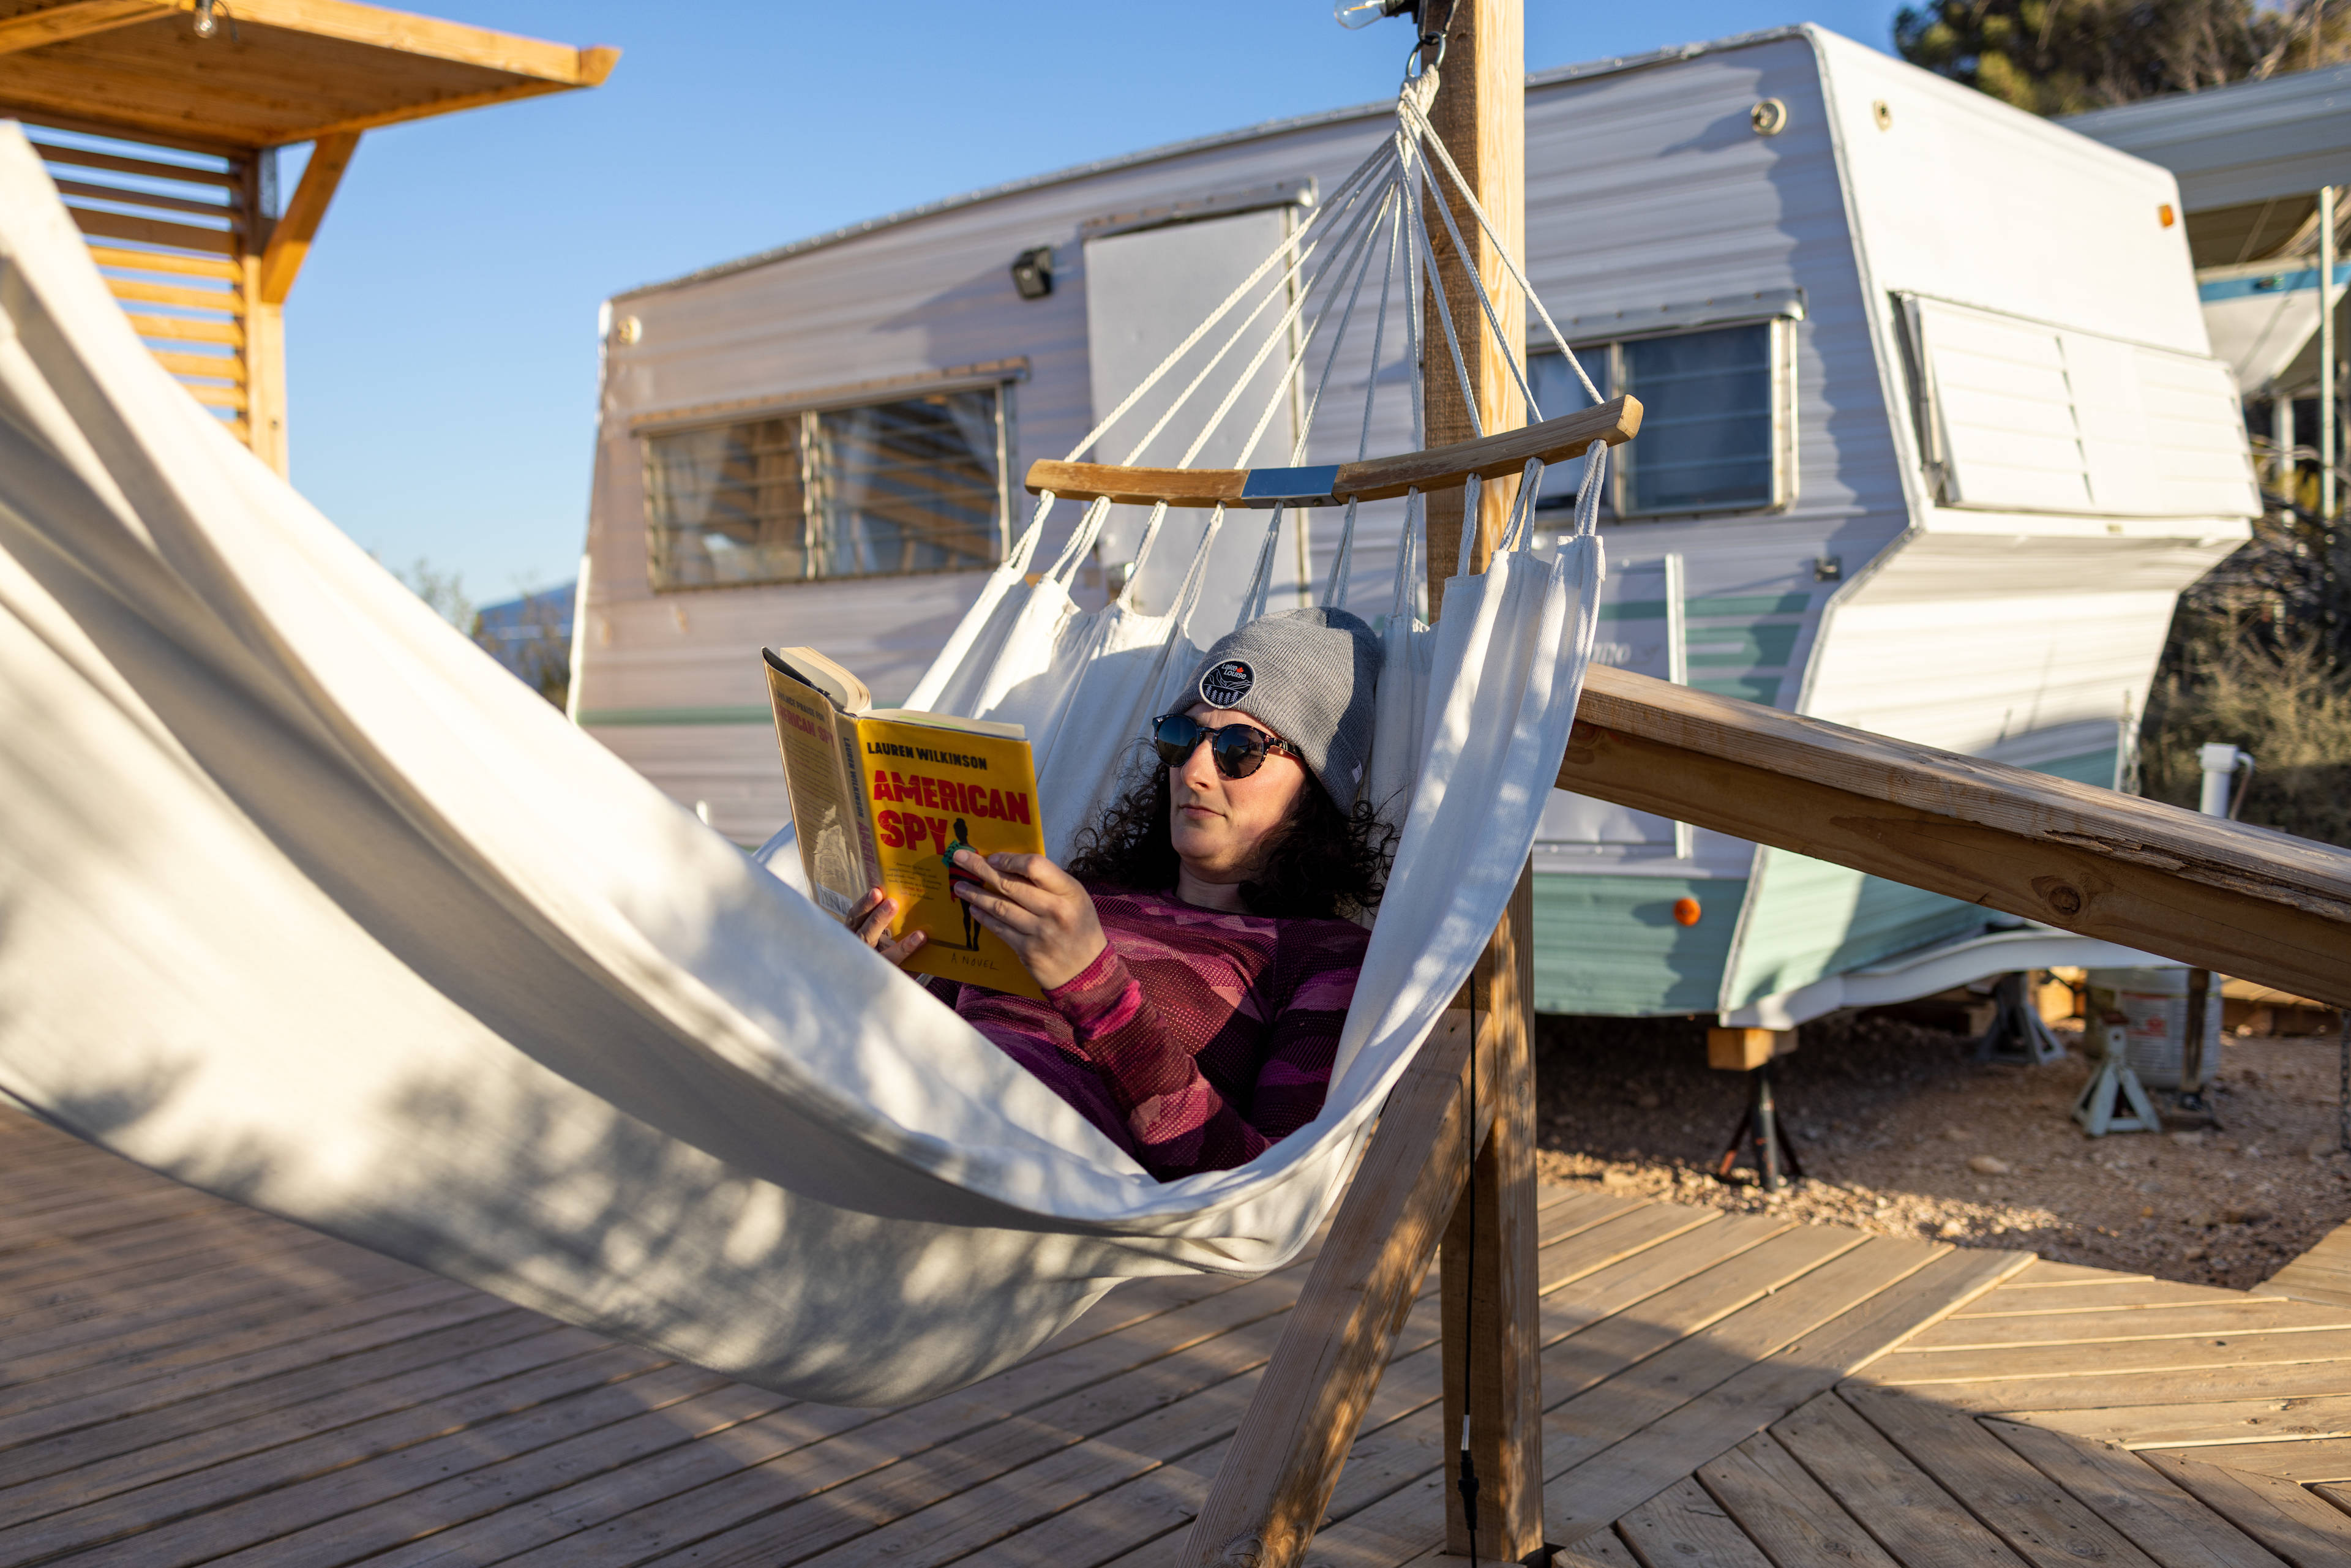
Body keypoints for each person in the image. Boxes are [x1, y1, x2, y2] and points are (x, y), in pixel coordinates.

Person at [848, 607, 1395, 1180]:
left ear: (1316, 785)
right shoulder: (1077, 901)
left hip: (1014, 1180)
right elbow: (939, 1031)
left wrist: (1091, 981)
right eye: (1181, 738)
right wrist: (879, 982)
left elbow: (1255, 1189)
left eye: (1239, 749)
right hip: (896, 1121)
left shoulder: (1320, 956)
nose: (1194, 771)